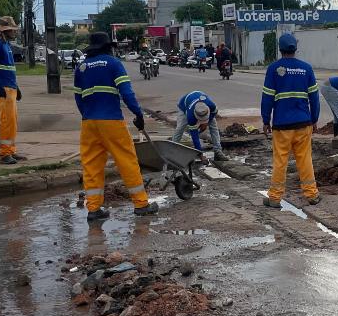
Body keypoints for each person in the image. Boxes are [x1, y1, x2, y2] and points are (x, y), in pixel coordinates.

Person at [73, 31, 157, 222]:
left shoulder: (81, 67)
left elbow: (78, 98)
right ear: (107, 47)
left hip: (89, 123)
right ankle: (141, 204)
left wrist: (88, 115)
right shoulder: (113, 64)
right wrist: (138, 113)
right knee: (127, 161)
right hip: (111, 120)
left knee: (91, 165)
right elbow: (127, 93)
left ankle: (94, 209)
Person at [261, 32, 321, 207]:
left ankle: (274, 198)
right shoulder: (306, 68)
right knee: (305, 159)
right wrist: (314, 119)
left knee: (280, 161)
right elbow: (314, 98)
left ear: (280, 49)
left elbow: (267, 98)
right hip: (303, 123)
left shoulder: (273, 69)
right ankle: (312, 195)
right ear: (296, 48)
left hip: (282, 125)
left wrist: (266, 120)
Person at [0, 15, 24, 164]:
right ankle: (5, 153)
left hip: (9, 87)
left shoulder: (5, 45)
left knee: (12, 121)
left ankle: (11, 151)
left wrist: (16, 87)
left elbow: (8, 69)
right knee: (6, 121)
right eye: (12, 29)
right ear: (5, 30)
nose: (14, 32)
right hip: (3, 88)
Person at [173, 91, 226, 159]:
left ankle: (218, 150)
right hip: (184, 104)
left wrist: (206, 123)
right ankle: (173, 149)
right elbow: (194, 135)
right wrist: (200, 153)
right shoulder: (190, 116)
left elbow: (213, 114)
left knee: (214, 127)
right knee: (180, 128)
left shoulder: (212, 106)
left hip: (198, 95)